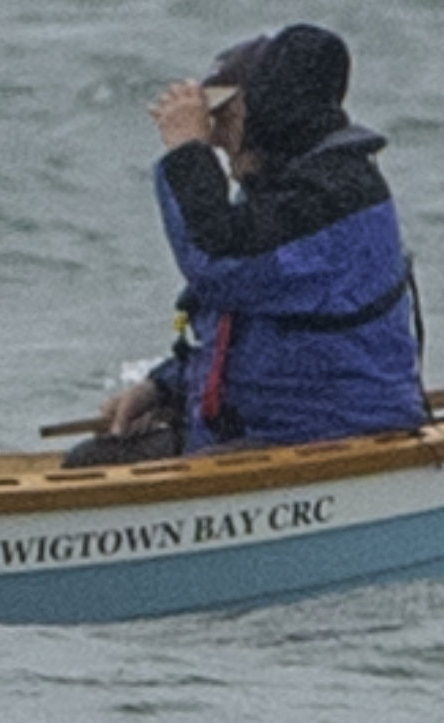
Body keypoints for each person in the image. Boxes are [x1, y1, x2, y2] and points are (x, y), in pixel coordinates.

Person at [71, 23, 423, 466]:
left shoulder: (334, 199)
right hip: (260, 431)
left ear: (271, 113)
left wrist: (186, 154)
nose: (215, 139)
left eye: (225, 118)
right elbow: (245, 325)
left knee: (97, 476)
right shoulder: (285, 195)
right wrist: (165, 386)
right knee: (89, 460)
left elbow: (217, 263)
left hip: (327, 433)